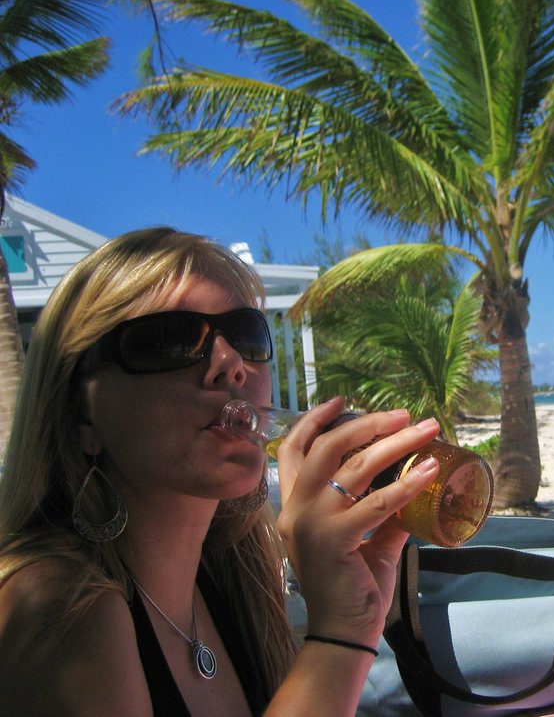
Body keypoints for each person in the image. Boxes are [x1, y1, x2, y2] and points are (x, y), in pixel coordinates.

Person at [0, 227, 442, 715]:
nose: (230, 364)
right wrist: (341, 633)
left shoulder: (238, 582)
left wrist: (357, 618)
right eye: (170, 341)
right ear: (84, 414)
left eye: (247, 335)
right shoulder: (57, 608)